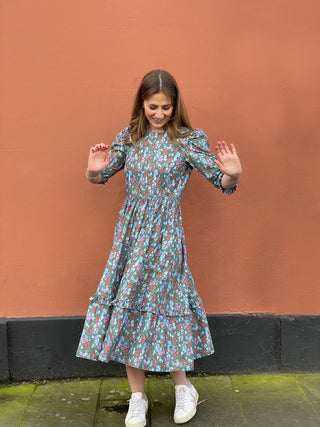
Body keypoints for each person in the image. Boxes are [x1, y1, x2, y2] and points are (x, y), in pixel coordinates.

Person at [76, 69, 242, 427]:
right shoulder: (130, 137)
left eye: (166, 107)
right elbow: (100, 176)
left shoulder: (187, 140)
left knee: (167, 302)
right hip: (132, 232)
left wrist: (233, 173)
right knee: (131, 300)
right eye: (153, 106)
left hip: (167, 233)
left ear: (175, 105)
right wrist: (92, 170)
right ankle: (138, 397)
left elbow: (220, 180)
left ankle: (184, 388)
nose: (159, 113)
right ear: (141, 103)